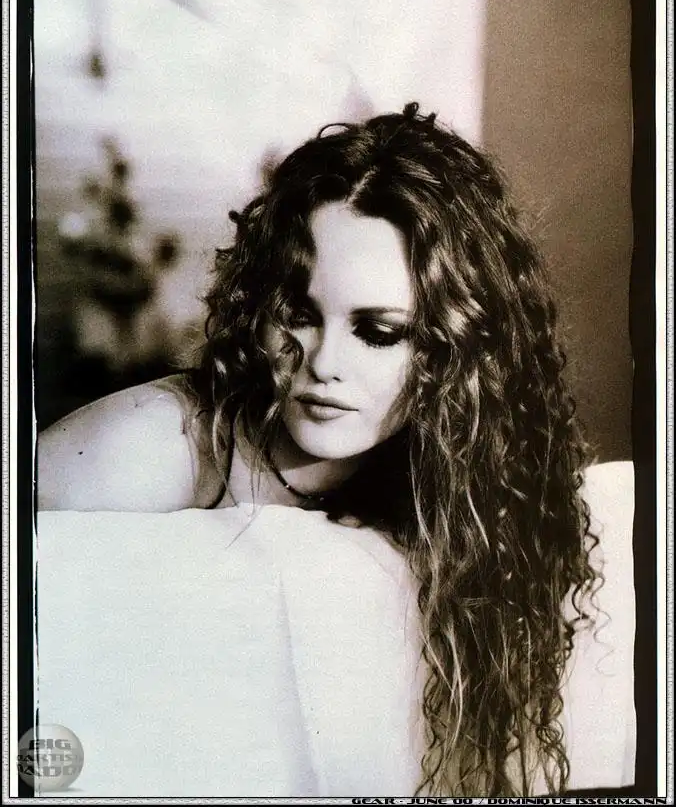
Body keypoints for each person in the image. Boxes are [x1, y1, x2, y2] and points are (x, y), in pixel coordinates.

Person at [38, 103, 628, 797]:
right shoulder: (158, 443)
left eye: (378, 332)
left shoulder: (451, 471)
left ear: (457, 348)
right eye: (298, 315)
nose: (323, 365)